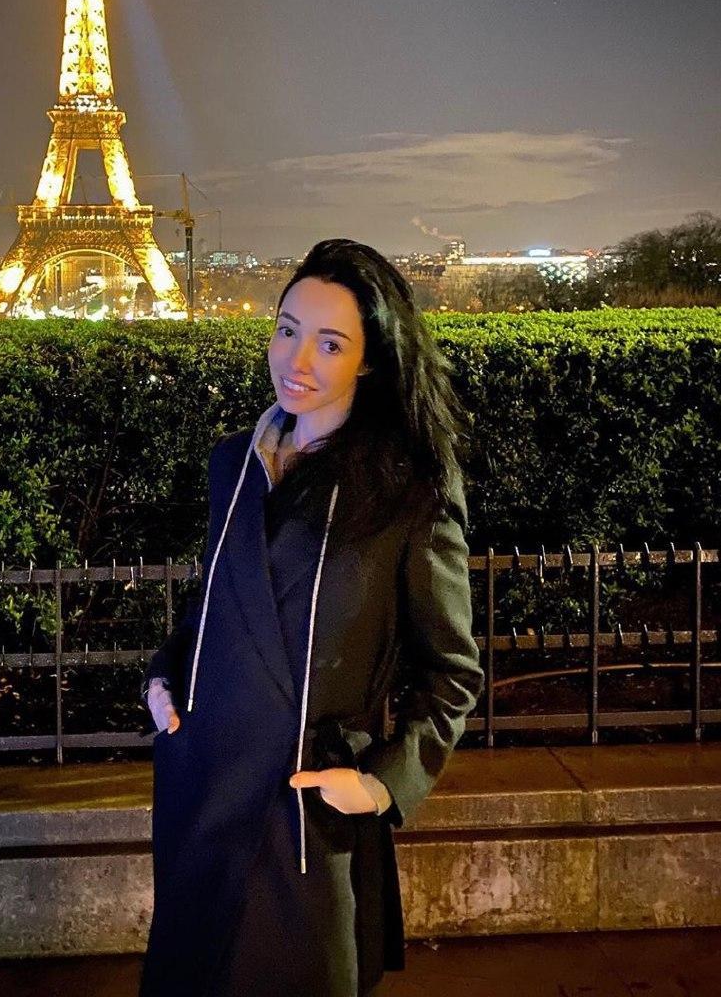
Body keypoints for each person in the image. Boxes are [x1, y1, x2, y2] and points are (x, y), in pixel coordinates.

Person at [139, 238, 484, 997]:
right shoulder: (233, 464)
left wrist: (383, 782)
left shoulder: (406, 490)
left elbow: (452, 673)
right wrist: (165, 678)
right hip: (204, 795)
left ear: (369, 360)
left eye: (330, 343)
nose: (296, 360)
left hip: (301, 815)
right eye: (287, 330)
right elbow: (217, 605)